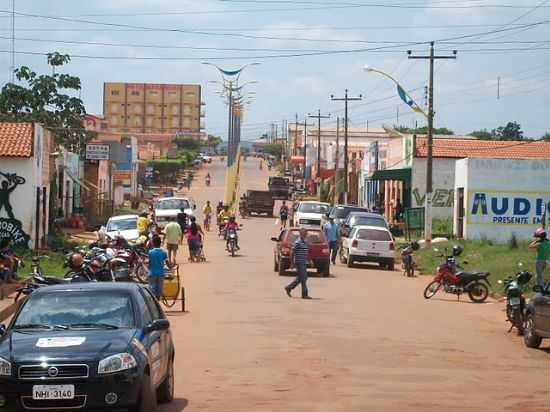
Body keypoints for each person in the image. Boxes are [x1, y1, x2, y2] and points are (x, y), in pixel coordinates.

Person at [285, 228, 311, 299]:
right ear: (301, 234)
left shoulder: (305, 242)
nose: (305, 235)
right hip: (299, 262)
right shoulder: (297, 242)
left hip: (303, 262)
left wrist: (309, 260)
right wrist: (292, 262)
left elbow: (307, 252)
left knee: (301, 278)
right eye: (304, 234)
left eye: (306, 234)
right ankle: (304, 294)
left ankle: (289, 287)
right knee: (304, 278)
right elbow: (292, 252)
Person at [148, 235, 168, 300]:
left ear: (153, 243)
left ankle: (154, 302)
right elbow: (167, 263)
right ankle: (158, 301)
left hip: (152, 273)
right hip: (160, 273)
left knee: (152, 288)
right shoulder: (163, 253)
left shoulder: (150, 252)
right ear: (160, 243)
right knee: (159, 288)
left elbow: (149, 263)